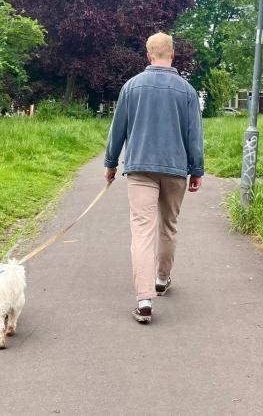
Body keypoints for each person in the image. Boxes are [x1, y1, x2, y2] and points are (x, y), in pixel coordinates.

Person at [104, 32, 204, 324]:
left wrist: (111, 164)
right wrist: (196, 169)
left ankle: (145, 298)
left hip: (140, 169)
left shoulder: (131, 87)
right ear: (172, 54)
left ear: (149, 56)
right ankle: (162, 279)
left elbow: (117, 129)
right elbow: (194, 135)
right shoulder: (187, 90)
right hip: (175, 169)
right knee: (169, 226)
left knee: (142, 231)